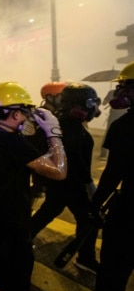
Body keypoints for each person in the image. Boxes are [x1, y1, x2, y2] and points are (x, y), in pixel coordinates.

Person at [0, 82, 67, 291]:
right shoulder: (11, 141)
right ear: (15, 113)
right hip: (10, 224)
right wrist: (54, 134)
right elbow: (59, 171)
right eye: (27, 113)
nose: (29, 120)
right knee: (15, 287)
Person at [30, 83, 101, 274]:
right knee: (88, 220)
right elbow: (81, 167)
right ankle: (86, 259)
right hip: (71, 185)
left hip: (56, 182)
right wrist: (93, 191)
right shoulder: (78, 132)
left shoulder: (56, 123)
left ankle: (20, 239)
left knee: (49, 210)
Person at [91, 61, 134, 291]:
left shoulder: (125, 125)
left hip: (129, 213)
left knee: (112, 277)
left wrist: (95, 205)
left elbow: (112, 174)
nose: (120, 93)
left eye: (126, 87)